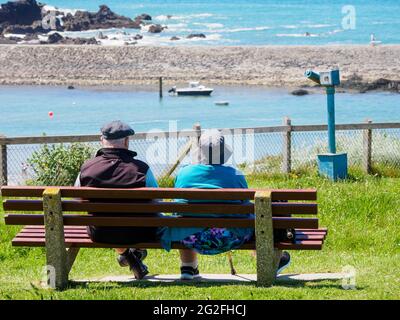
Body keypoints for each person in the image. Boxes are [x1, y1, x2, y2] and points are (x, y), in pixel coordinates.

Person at [160, 129, 291, 280]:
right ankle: (273, 262)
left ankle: (188, 267)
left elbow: (178, 207)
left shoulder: (184, 174)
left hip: (191, 238)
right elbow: (245, 205)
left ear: (200, 152)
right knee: (256, 218)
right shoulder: (235, 174)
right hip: (230, 237)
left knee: (183, 221)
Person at [75, 120, 160, 279]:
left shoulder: (87, 168)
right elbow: (157, 201)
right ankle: (132, 255)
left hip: (100, 233)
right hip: (141, 232)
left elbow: (77, 198)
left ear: (103, 141)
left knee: (108, 222)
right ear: (127, 141)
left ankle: (128, 256)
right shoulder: (142, 169)